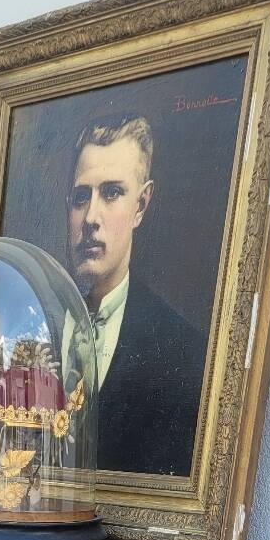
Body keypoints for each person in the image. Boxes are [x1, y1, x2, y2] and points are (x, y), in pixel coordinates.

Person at [66, 115, 204, 477]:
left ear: (141, 205)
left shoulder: (183, 352)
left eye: (111, 193)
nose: (91, 217)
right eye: (81, 198)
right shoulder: (29, 328)